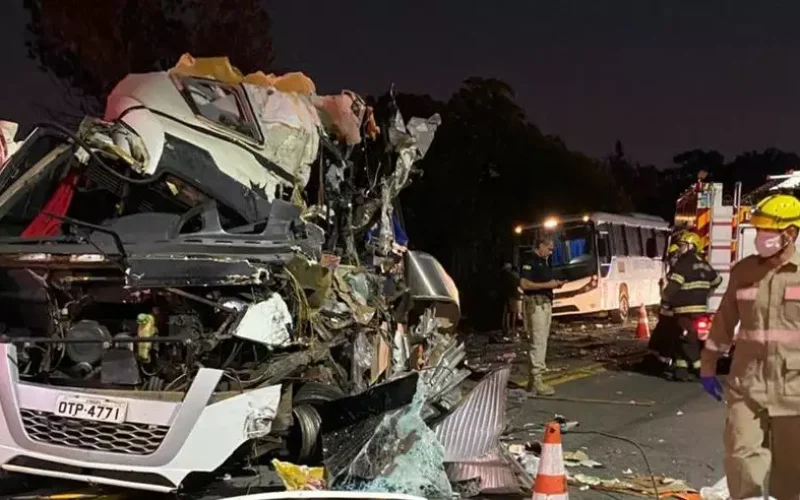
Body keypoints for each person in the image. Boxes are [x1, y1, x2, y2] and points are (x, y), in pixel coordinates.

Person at [700, 193, 800, 499]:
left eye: (768, 231)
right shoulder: (743, 272)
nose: (761, 237)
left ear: (791, 233)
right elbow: (725, 319)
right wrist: (708, 364)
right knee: (741, 460)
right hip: (748, 383)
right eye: (758, 230)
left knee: (791, 472)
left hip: (795, 389)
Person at [660, 231, 721, 381]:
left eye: (682, 246)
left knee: (687, 339)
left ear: (691, 246)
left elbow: (672, 288)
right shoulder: (704, 263)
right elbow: (717, 280)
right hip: (700, 308)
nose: (680, 249)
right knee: (683, 337)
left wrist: (664, 295)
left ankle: (700, 368)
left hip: (684, 309)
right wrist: (705, 290)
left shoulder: (683, 264)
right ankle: (681, 371)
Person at [519, 235, 566, 395]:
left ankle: (533, 381)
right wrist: (548, 284)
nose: (551, 252)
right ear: (540, 246)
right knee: (537, 341)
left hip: (545, 303)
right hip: (536, 304)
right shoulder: (530, 260)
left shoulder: (543, 263)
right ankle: (537, 379)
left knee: (542, 341)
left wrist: (555, 284)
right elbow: (524, 284)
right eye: (549, 248)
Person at [502, 263, 522, 337]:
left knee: (507, 313)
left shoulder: (505, 277)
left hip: (508, 296)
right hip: (513, 296)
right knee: (513, 312)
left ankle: (507, 328)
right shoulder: (513, 276)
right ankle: (511, 329)